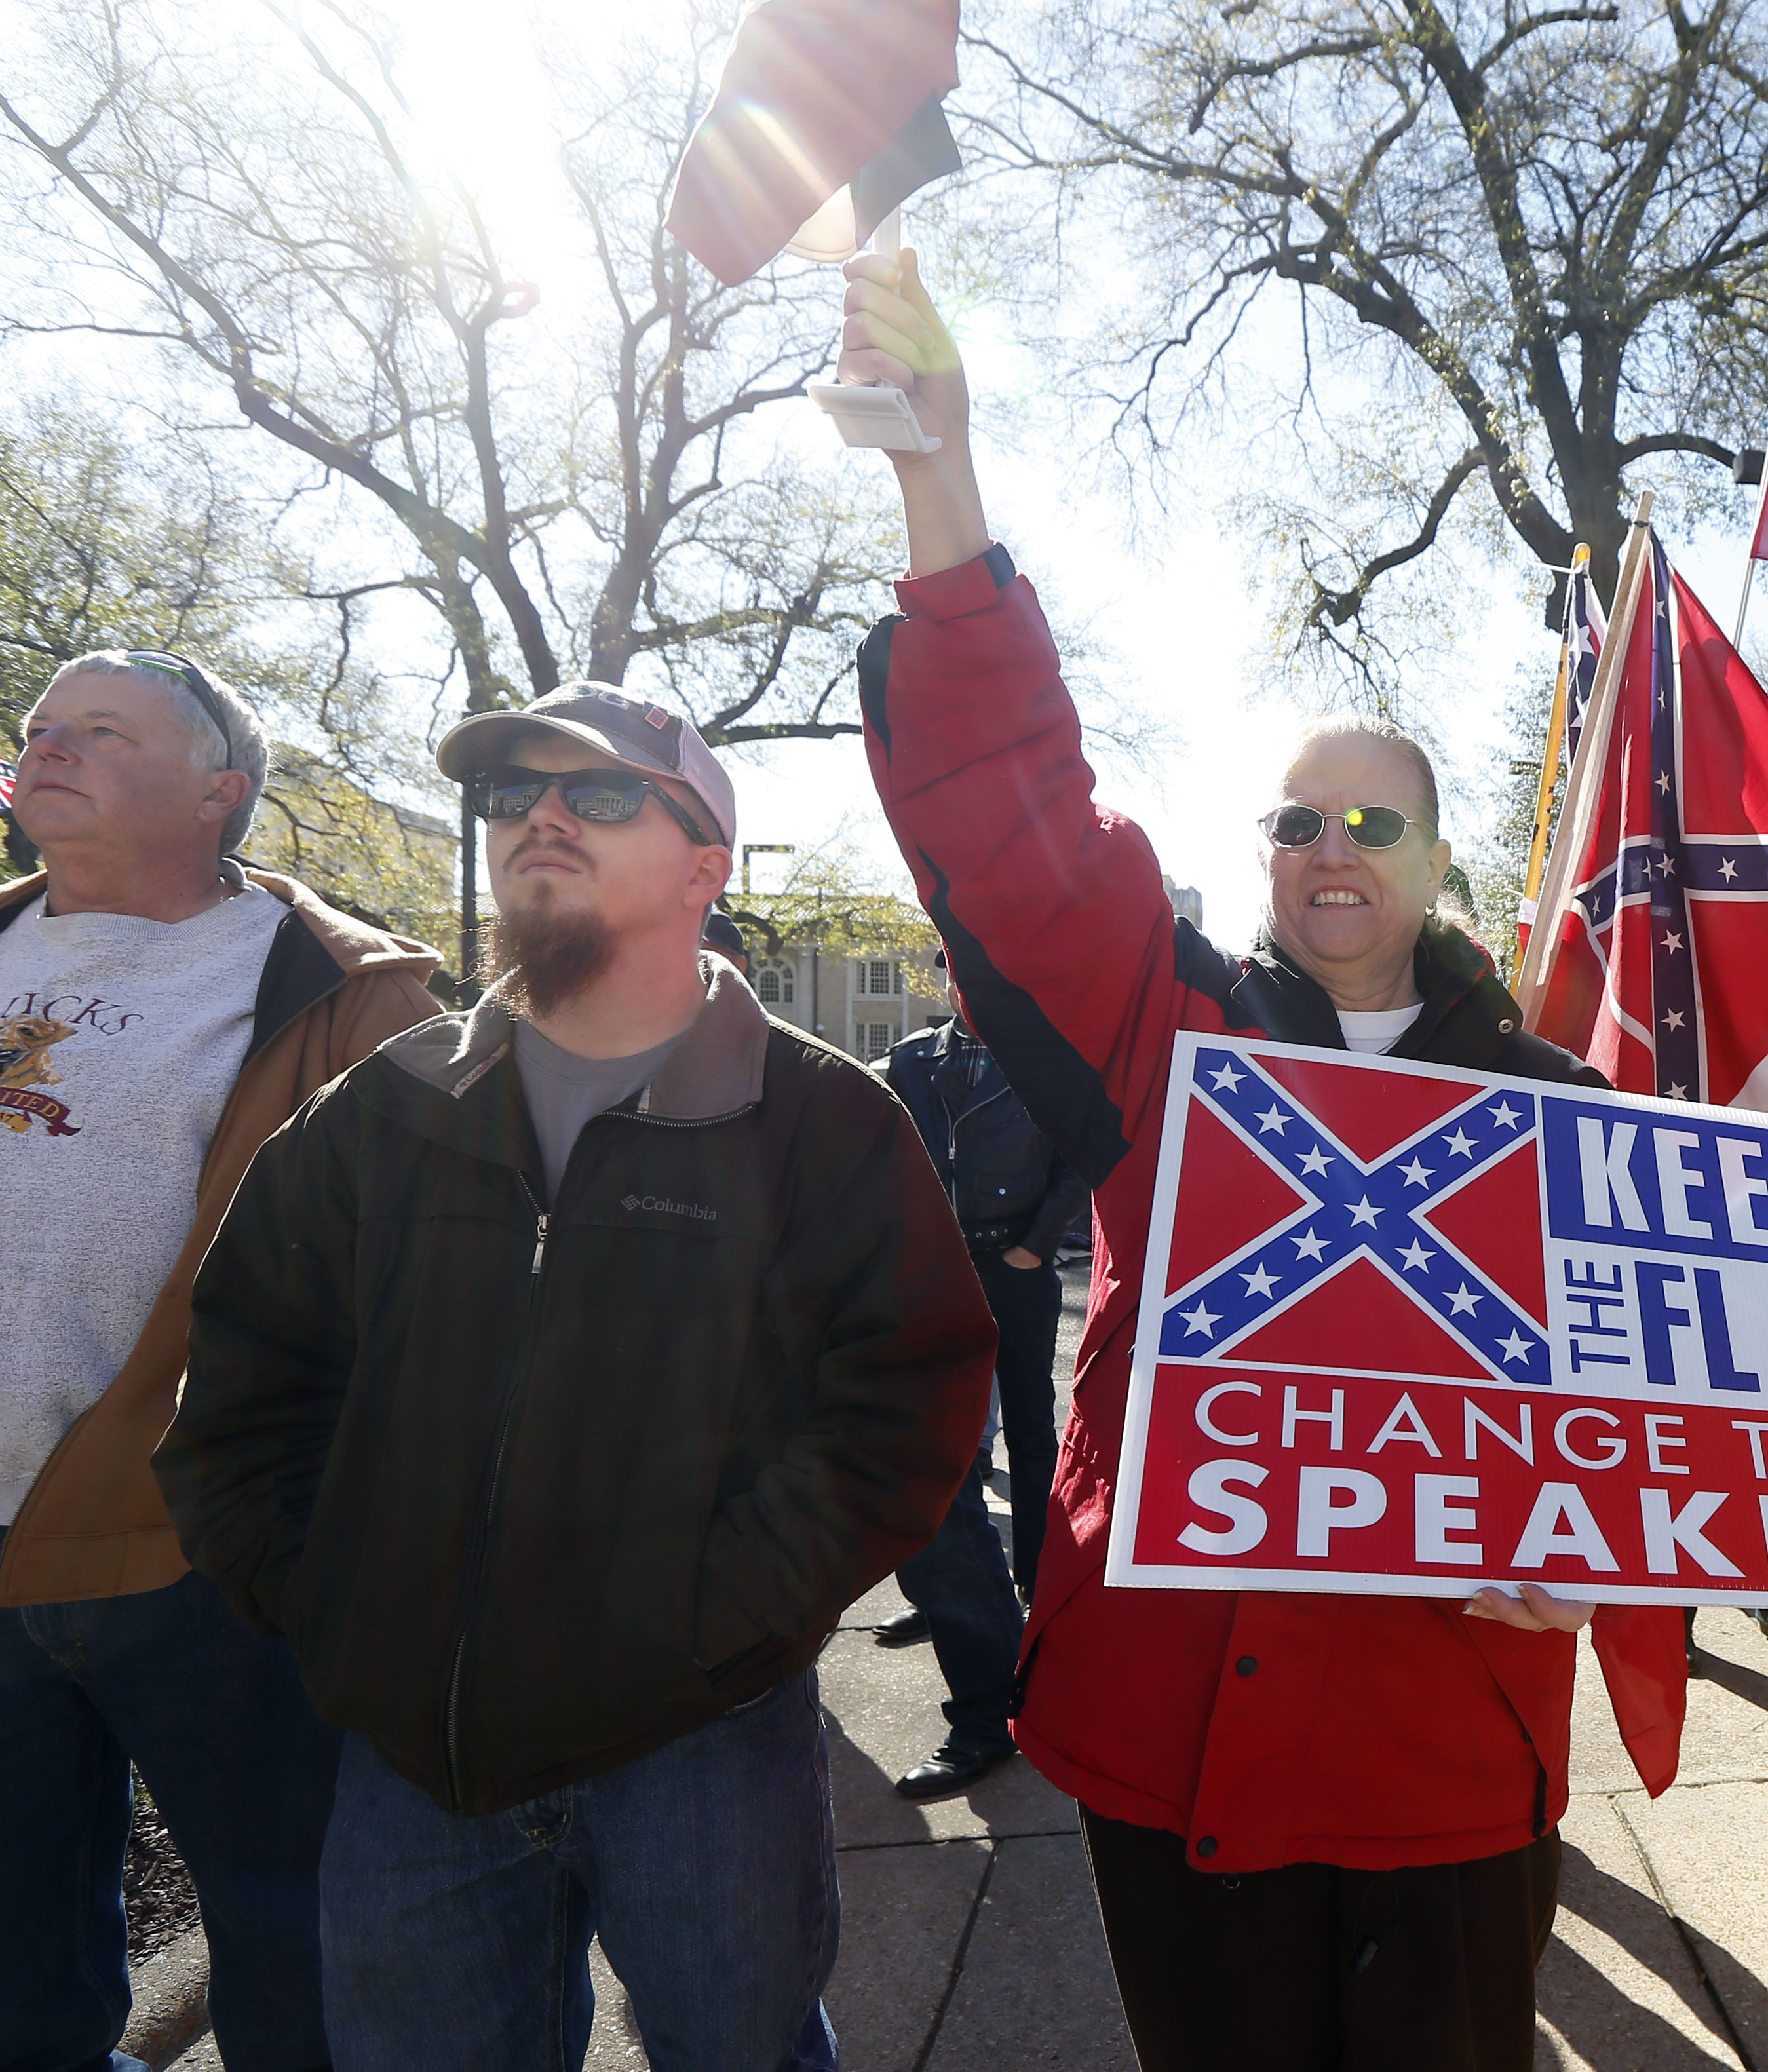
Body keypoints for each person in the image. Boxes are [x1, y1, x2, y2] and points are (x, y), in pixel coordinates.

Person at [841, 246, 1607, 2072]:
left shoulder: (1556, 1099)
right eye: (1296, 817)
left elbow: (1647, 1410)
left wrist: (1606, 1552)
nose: (1333, 845)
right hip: (1177, 1717)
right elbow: (1015, 818)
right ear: (1262, 855)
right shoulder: (1163, 1028)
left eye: (1376, 820)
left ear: (1435, 864)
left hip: (1449, 1728)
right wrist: (940, 481)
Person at [159, 685, 997, 2070]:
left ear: (705, 866)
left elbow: (901, 1410)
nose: (539, 817)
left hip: (699, 1734)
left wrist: (712, 1622)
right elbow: (247, 1378)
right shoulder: (383, 1107)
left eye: (598, 794)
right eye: (511, 795)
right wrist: (333, 1605)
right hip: (416, 1753)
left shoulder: (824, 1118)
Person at [0, 649, 441, 2072]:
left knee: (301, 1950)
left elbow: (421, 1303)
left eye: (101, 730)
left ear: (220, 794)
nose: (49, 745)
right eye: (40, 726)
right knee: (15, 1977)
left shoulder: (349, 998)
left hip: (205, 1561)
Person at [870, 1009, 1091, 1799]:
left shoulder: (1043, 1056)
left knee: (1030, 1427)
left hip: (1013, 1263)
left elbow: (1078, 1154)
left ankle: (1033, 1582)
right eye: (952, 962)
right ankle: (959, 1595)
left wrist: (1034, 1246)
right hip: (933, 1269)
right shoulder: (911, 1059)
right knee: (946, 1444)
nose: (964, 980)